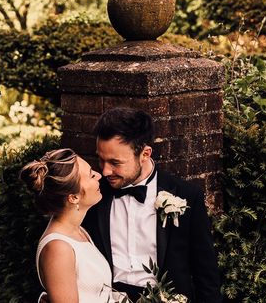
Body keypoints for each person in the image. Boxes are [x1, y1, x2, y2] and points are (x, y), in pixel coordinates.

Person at [82, 107, 222, 302]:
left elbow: (206, 273)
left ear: (145, 154)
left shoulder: (186, 195)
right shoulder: (94, 195)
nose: (105, 171)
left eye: (115, 162)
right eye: (101, 159)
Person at [21, 148, 128, 302]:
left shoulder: (79, 231)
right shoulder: (58, 248)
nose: (99, 176)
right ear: (73, 197)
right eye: (91, 175)